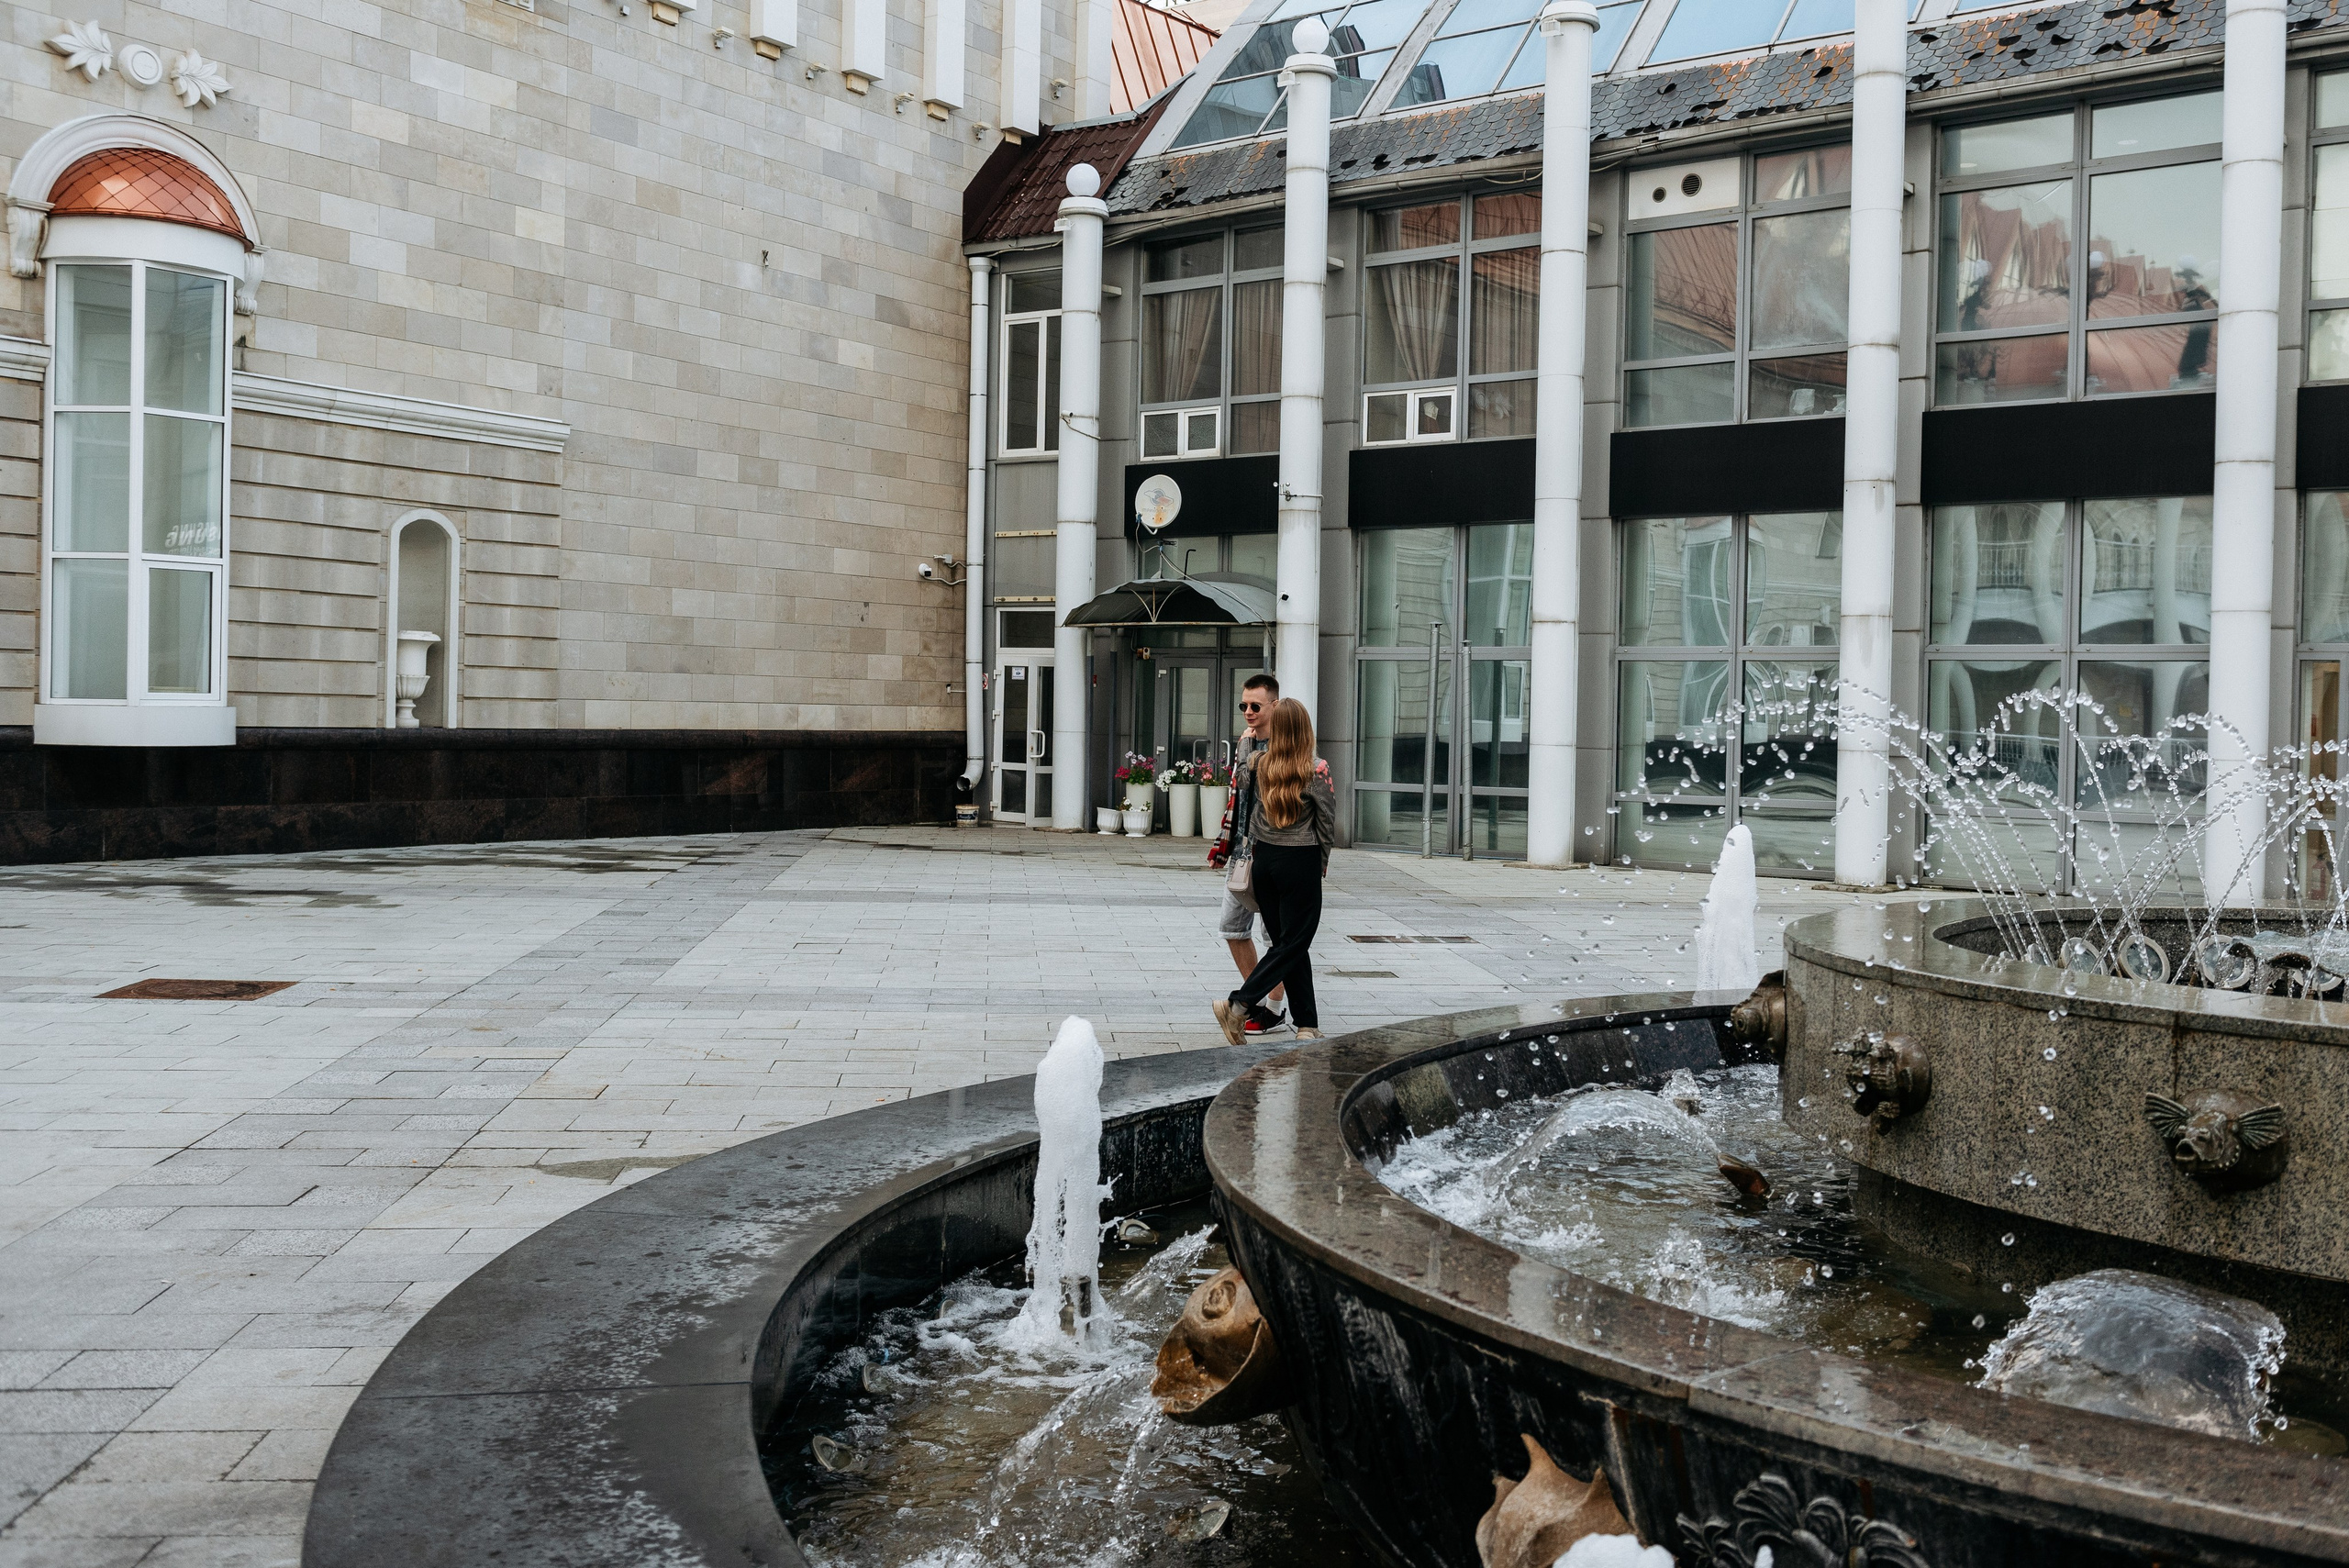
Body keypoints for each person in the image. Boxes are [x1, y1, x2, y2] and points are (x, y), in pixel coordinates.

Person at [1213, 697, 1337, 1047]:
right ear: (1305, 729)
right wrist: (1322, 861)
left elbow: (1244, 796)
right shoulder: (1316, 768)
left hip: (1264, 861)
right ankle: (1238, 1005)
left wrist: (1245, 744)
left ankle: (1307, 1024)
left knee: (1289, 944)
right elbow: (1326, 822)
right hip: (1300, 861)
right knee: (1294, 942)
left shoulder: (1257, 762)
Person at [1207, 673, 1287, 1034]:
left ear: (1275, 705)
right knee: (1232, 928)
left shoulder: (1287, 746)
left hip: (1273, 854)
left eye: (1256, 705)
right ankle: (1255, 1001)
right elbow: (1238, 797)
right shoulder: (1245, 743)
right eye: (1244, 705)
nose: (1248, 712)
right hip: (1243, 852)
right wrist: (1224, 846)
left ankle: (1273, 1009)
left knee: (1277, 939)